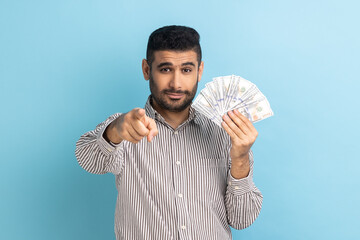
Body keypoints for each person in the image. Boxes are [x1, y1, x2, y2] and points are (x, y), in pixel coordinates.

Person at [75, 25, 263, 240]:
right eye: (165, 69)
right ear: (147, 70)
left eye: (186, 70)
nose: (176, 83)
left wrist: (240, 160)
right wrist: (115, 131)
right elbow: (89, 161)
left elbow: (242, 219)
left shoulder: (224, 134)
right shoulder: (126, 128)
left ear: (199, 71)